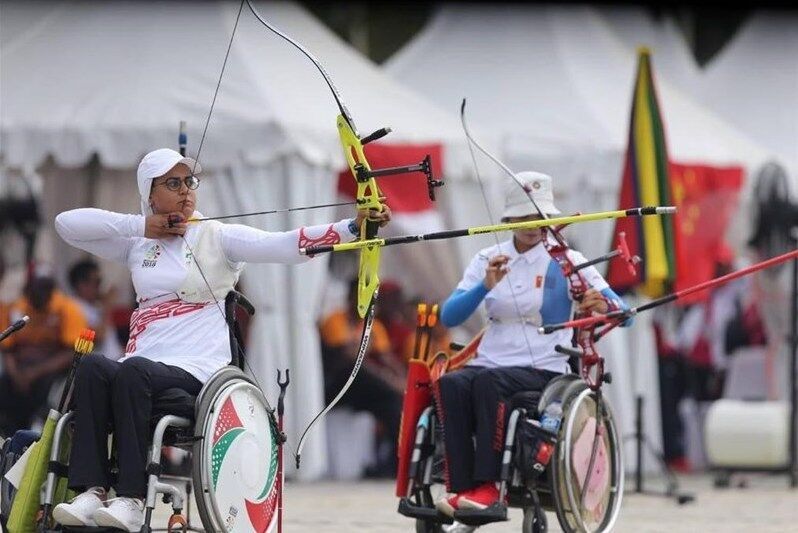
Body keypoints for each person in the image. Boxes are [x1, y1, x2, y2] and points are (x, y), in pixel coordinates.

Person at [51, 148, 390, 531]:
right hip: (143, 367)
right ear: (150, 194)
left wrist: (353, 227)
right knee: (94, 366)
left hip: (197, 372)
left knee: (133, 374)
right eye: (172, 183)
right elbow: (67, 224)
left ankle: (130, 498)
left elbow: (284, 244)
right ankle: (91, 492)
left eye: (189, 182)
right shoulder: (137, 243)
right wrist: (141, 226)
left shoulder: (218, 236)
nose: (185, 191)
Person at [433, 172, 629, 516]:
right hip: (490, 361)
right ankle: (462, 489)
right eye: (523, 217)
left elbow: (625, 313)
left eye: (538, 217)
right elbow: (449, 316)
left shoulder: (568, 261)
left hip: (544, 368)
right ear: (509, 220)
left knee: (487, 383)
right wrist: (485, 286)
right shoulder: (487, 258)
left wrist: (604, 305)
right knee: (450, 383)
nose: (532, 225)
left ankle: (490, 488)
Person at [319, 277, 404, 477]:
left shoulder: (373, 325)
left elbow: (387, 358)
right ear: (350, 297)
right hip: (335, 388)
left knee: (392, 403)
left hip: (361, 391)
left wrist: (404, 379)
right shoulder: (335, 320)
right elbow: (348, 358)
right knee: (361, 370)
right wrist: (390, 381)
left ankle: (393, 465)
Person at [0, 269, 88, 436]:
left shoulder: (68, 309)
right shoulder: (19, 307)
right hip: (19, 369)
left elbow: (72, 354)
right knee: (5, 387)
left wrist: (34, 373)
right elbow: (7, 348)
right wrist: (16, 374)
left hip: (50, 371)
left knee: (44, 392)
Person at [67, 258, 124, 361]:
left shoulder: (95, 306)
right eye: (97, 282)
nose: (100, 287)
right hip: (100, 367)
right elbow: (95, 340)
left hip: (115, 361)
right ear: (82, 285)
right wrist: (107, 306)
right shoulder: (74, 308)